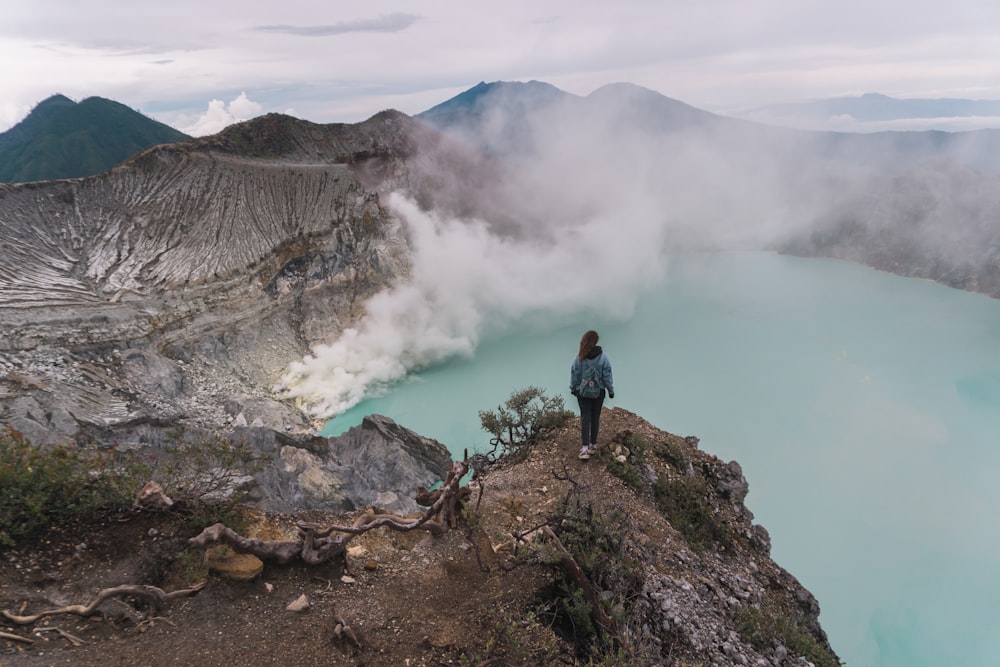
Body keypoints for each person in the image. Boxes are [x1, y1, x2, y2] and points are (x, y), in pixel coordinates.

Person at [569, 330, 614, 460]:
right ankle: (593, 446)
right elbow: (607, 376)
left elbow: (574, 374)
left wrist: (573, 388)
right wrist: (610, 391)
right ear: (596, 342)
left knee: (585, 417)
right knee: (595, 417)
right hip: (599, 392)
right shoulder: (604, 357)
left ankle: (584, 449)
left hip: (582, 393)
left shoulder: (579, 357)